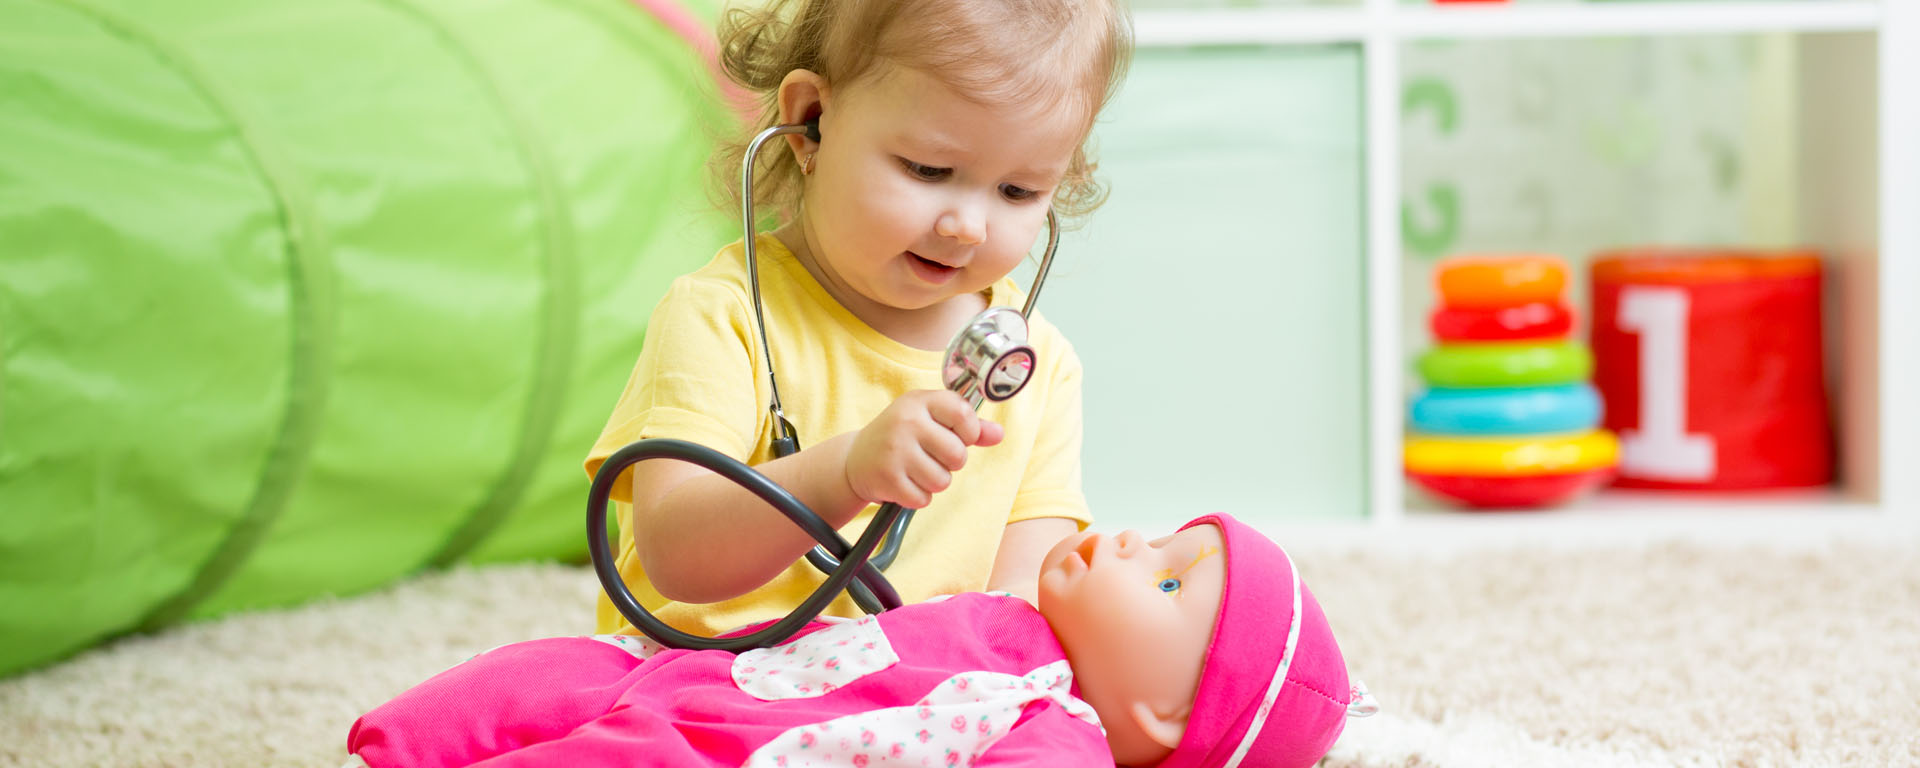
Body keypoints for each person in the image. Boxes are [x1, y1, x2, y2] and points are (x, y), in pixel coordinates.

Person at [582, 0, 1134, 639]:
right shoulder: (721, 316)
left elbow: (1024, 600)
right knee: (522, 687)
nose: (968, 226)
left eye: (1019, 191)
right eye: (928, 170)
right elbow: (676, 558)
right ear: (812, 121)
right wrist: (844, 473)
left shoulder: (1033, 363)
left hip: (919, 686)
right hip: (708, 677)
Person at [345, 513, 1375, 767]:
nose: (1134, 543)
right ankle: (394, 743)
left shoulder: (1061, 735)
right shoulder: (1017, 614)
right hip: (707, 671)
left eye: (1167, 580)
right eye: (1167, 539)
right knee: (553, 670)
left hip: (729, 748)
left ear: (1165, 714)